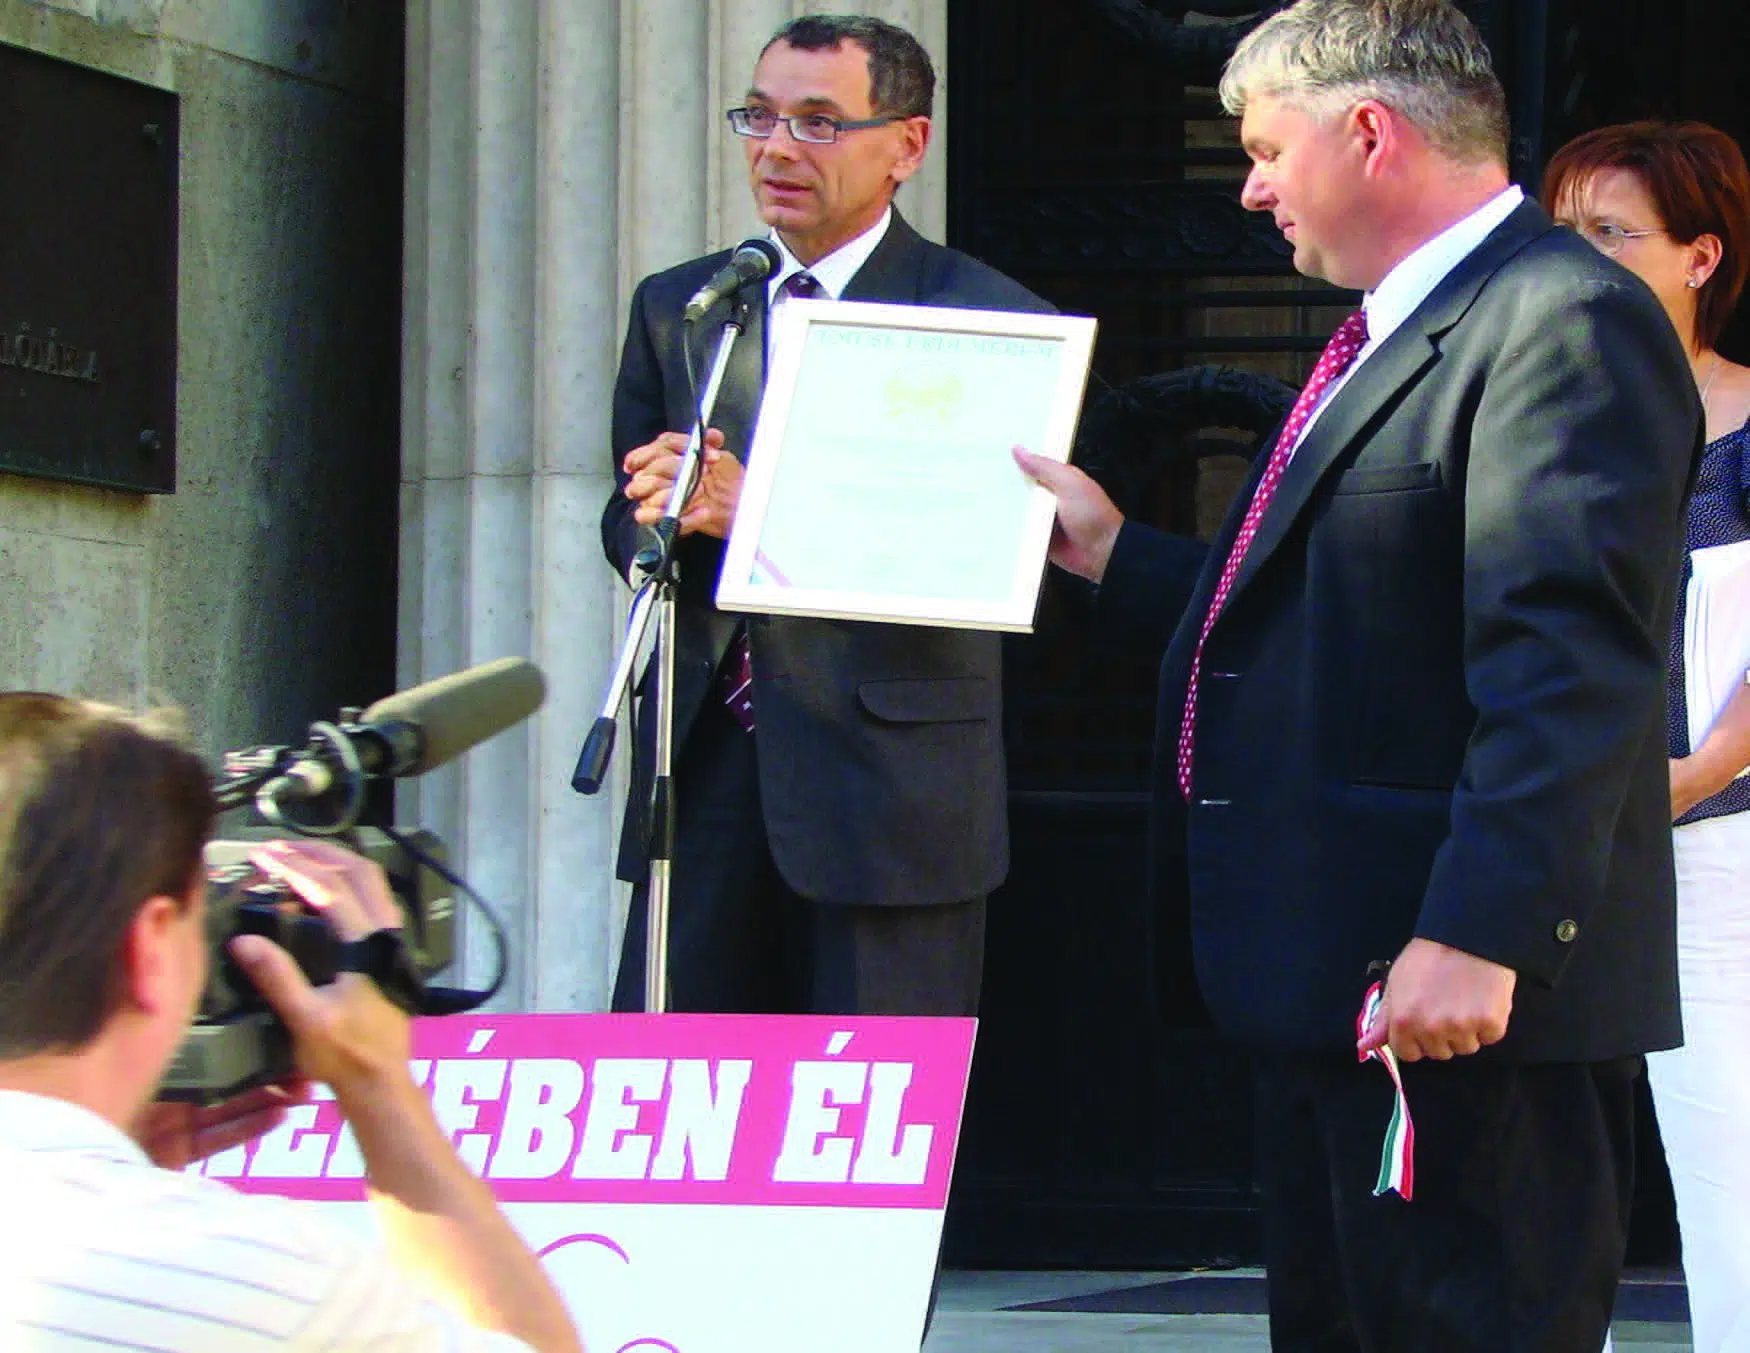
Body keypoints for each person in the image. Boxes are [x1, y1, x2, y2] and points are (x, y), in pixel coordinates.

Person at [1015, 2, 1700, 1349]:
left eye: (1267, 150)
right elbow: (1349, 612)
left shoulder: (1559, 318)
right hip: (1342, 984)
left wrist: (1485, 928)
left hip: (1452, 1000)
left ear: (1368, 132)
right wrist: (1118, 561)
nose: (1252, 188)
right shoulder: (1402, 326)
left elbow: (1566, 660)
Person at [601, 15, 1051, 1017]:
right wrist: (656, 510)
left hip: (891, 788)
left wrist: (750, 506)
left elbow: (988, 553)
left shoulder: (989, 321)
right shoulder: (686, 306)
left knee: (870, 1133)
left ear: (907, 144)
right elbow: (622, 525)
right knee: (681, 1120)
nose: (774, 149)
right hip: (705, 769)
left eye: (816, 123)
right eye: (757, 118)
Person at [0, 693, 581, 1352]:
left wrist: (121, 1158)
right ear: (152, 948)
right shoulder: (243, 1270)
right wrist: (377, 1082)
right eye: (208, 916)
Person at [1545, 121, 1750, 1353]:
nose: (1575, 263)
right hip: (1543, 838)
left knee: (1724, 1146)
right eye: (1559, 233)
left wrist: (1708, 767)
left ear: (1699, 256)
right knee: (1545, 1164)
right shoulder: (1534, 414)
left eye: (1609, 236)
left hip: (1711, 841)